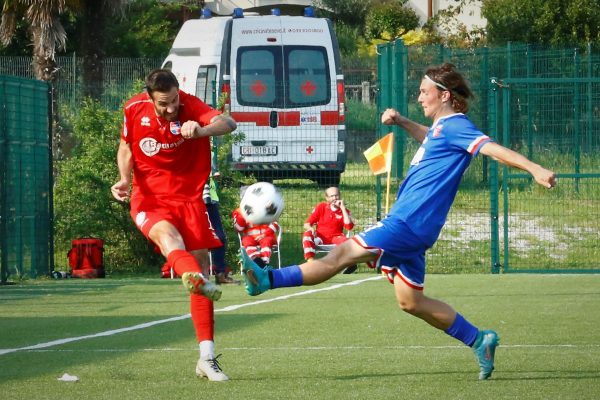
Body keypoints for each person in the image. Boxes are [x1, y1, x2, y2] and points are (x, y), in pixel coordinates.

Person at [239, 63, 557, 380]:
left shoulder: (458, 127)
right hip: (414, 227)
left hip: (407, 223)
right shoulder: (443, 130)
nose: (419, 98)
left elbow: (492, 149)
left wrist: (534, 168)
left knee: (340, 255)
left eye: (424, 91)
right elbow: (430, 138)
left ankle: (267, 280)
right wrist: (403, 121)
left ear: (444, 95)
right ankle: (479, 340)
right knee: (411, 301)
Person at [110, 69, 237, 381]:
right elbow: (126, 146)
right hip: (149, 197)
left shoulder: (190, 105)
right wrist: (125, 178)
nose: (171, 109)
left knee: (202, 264)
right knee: (168, 239)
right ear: (150, 97)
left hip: (190, 198)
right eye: (163, 104)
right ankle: (192, 275)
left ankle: (206, 358)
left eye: (174, 101)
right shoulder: (133, 109)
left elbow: (229, 123)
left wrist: (202, 130)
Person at [302, 186, 356, 273]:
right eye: (332, 196)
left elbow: (349, 227)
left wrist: (342, 208)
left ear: (340, 196)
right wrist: (311, 229)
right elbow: (307, 224)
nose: (334, 198)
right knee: (307, 234)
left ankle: (350, 264)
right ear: (327, 198)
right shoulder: (321, 207)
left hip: (336, 237)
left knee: (346, 241)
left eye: (336, 195)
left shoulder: (345, 211)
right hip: (320, 237)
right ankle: (310, 262)